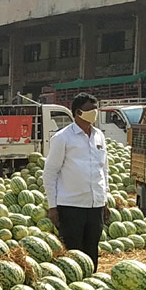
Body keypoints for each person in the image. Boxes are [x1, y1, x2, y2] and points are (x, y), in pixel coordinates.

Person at [43, 92, 109, 271]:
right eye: (90, 110)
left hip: (95, 205)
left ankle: (90, 284)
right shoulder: (63, 138)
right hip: (71, 206)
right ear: (78, 112)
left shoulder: (99, 136)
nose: (94, 114)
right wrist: (52, 206)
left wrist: (104, 200)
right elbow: (50, 172)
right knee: (73, 254)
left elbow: (103, 169)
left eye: (95, 109)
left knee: (91, 252)